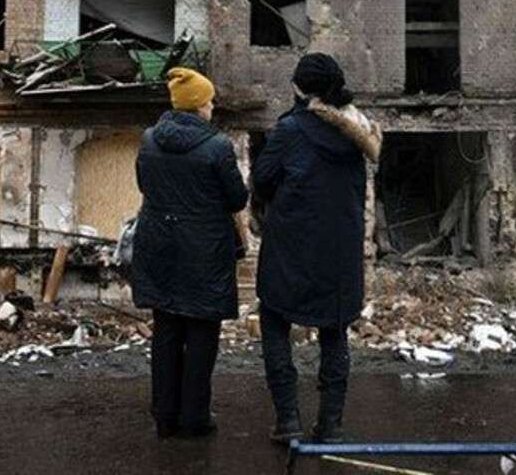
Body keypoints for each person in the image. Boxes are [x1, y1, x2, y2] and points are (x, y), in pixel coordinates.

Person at [253, 53, 382, 444]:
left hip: (290, 247)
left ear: (298, 88)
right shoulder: (356, 132)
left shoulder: (290, 129)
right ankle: (331, 424)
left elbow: (262, 179)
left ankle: (287, 420)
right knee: (334, 332)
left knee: (275, 321)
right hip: (339, 249)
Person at [132, 67, 249, 439]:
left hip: (159, 247)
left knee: (166, 330)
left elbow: (144, 184)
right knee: (201, 333)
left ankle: (165, 415)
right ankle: (194, 417)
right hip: (204, 251)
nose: (212, 107)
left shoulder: (149, 139)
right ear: (198, 106)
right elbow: (237, 198)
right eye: (209, 101)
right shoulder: (217, 146)